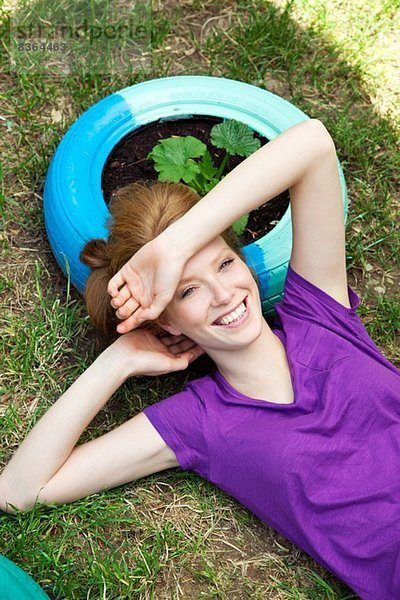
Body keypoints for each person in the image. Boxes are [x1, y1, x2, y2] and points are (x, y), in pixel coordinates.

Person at [0, 119, 399, 599]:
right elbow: (19, 492)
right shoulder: (201, 422)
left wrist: (175, 247)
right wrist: (119, 360)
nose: (222, 294)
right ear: (165, 321)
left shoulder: (320, 315)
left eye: (225, 263)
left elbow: (313, 144)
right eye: (187, 290)